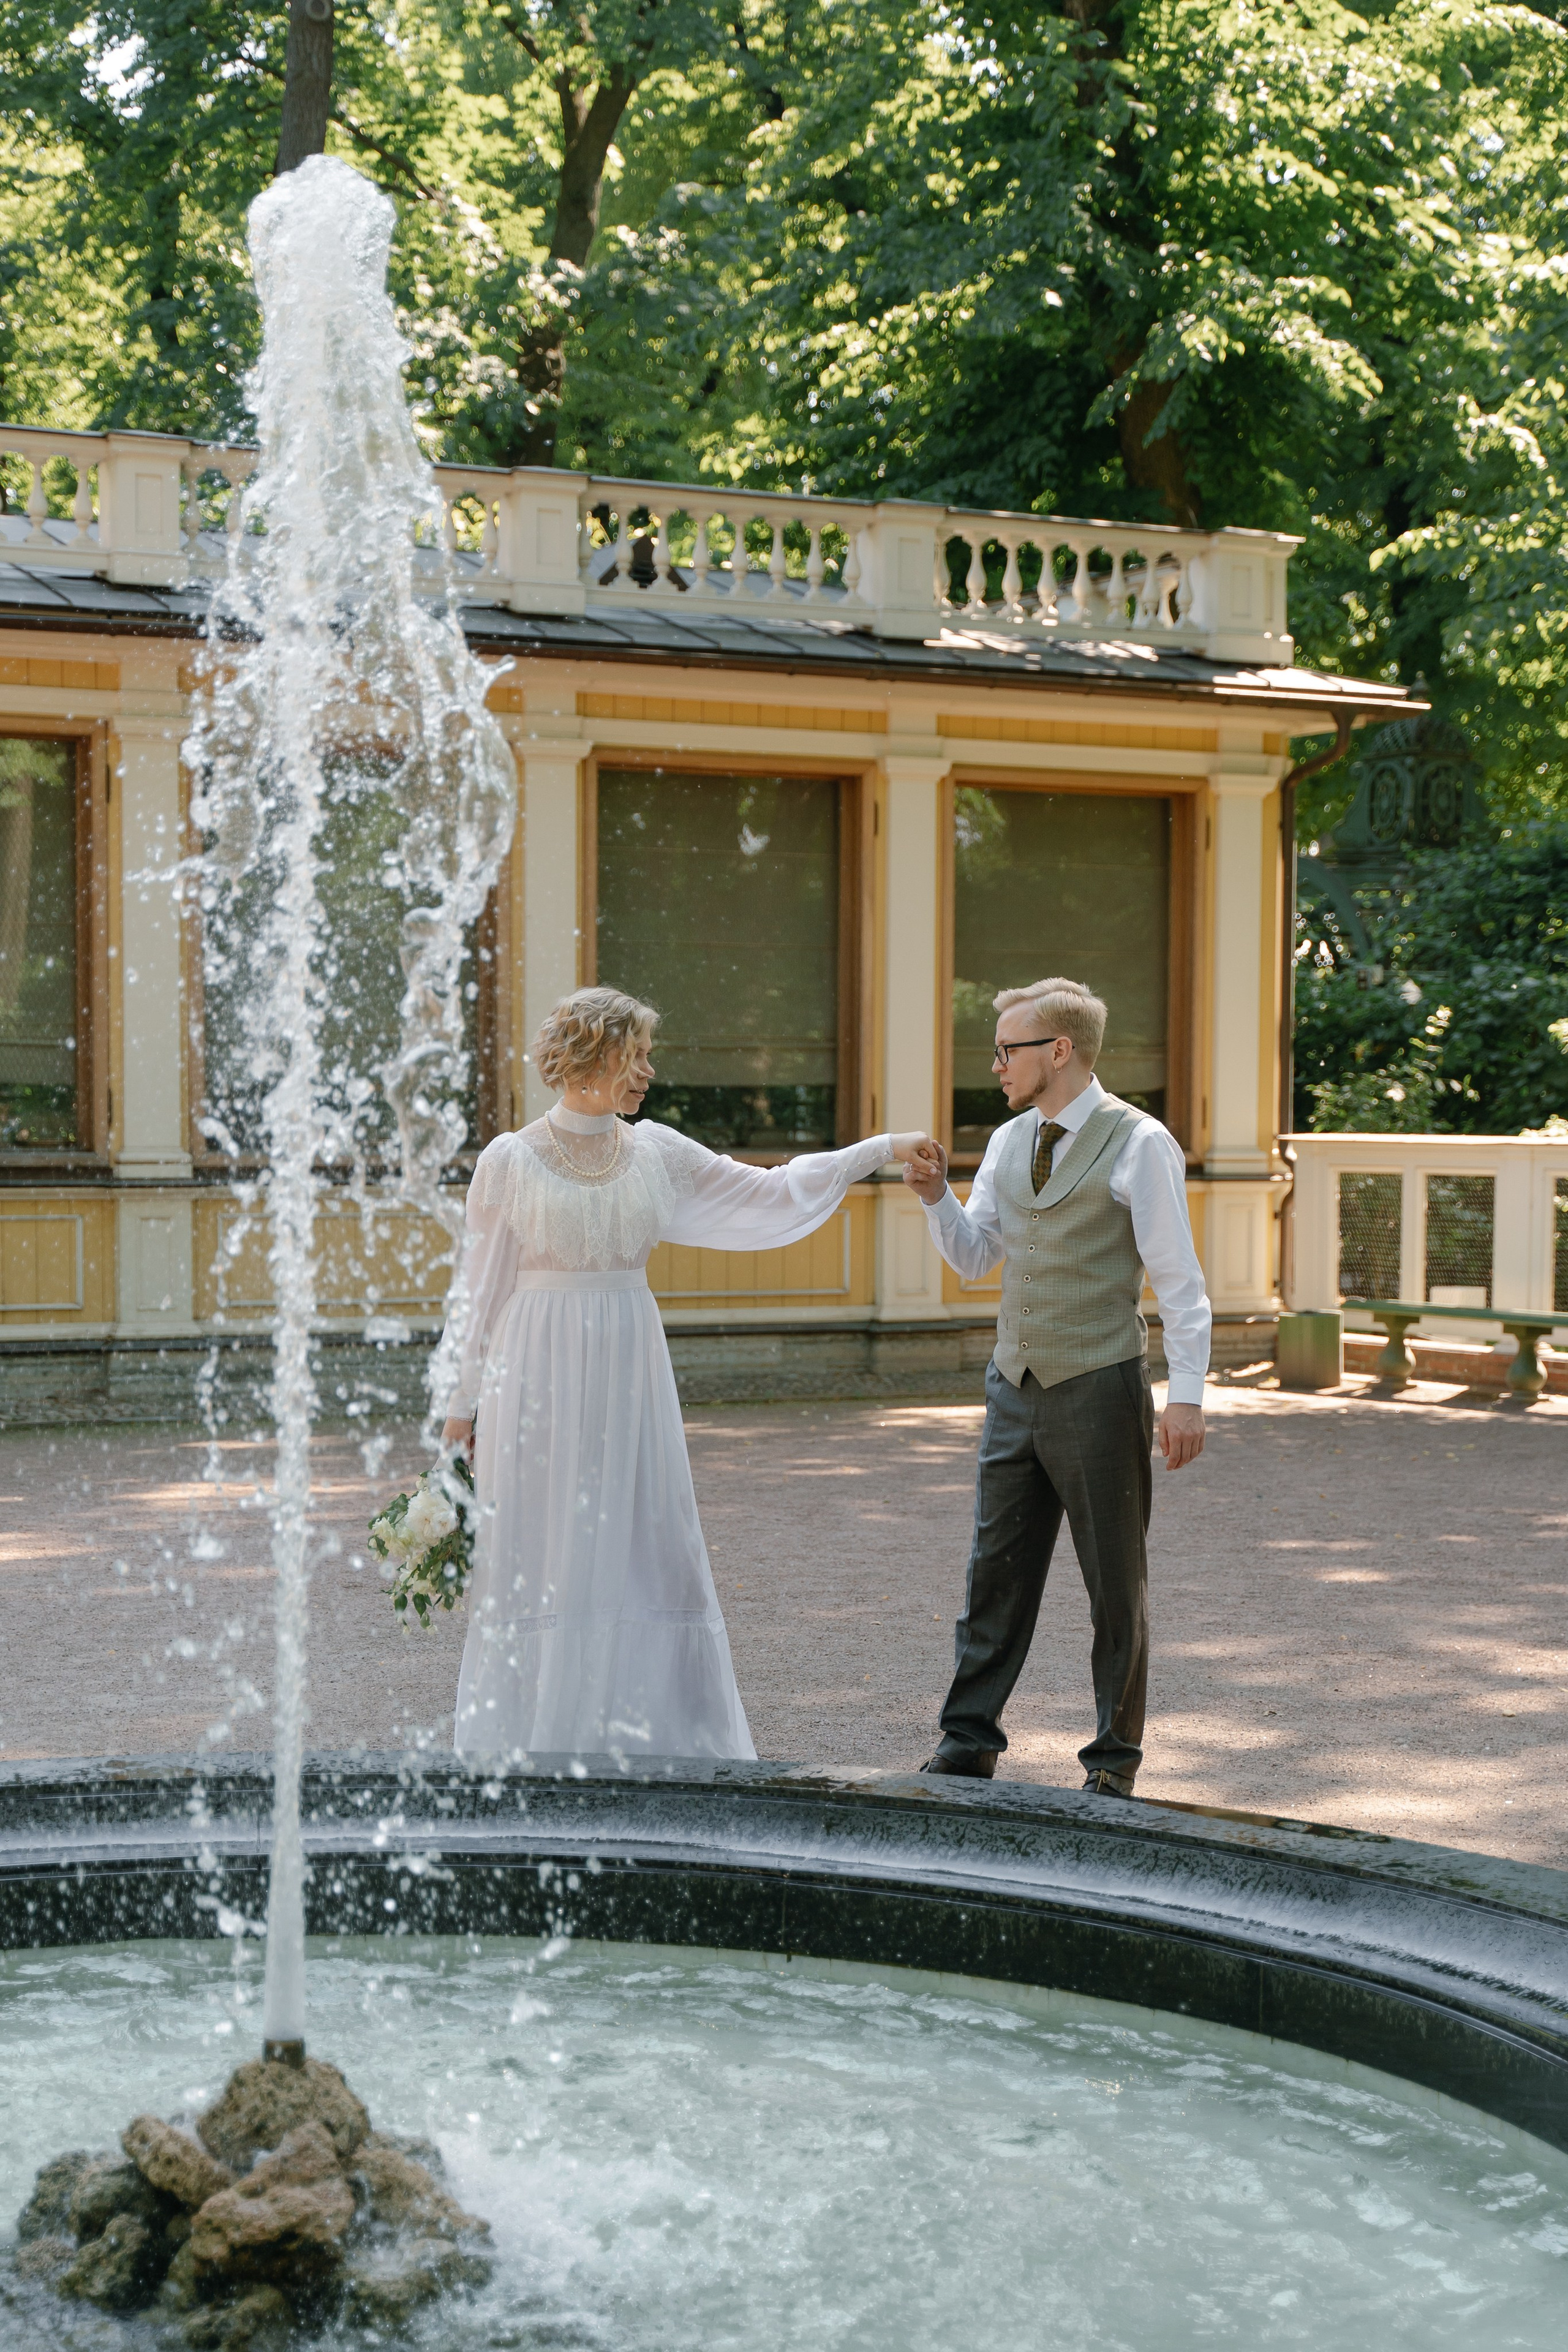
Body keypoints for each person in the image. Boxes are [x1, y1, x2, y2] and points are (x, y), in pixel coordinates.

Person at [440, 985, 928, 1760]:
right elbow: (481, 1288)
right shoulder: (510, 1159)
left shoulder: (657, 1150)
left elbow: (769, 1193)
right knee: (545, 1548)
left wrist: (880, 1149)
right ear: (595, 1054)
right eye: (637, 1055)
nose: (647, 1073)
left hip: (631, 1368)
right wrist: (461, 1409)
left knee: (650, 1539)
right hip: (535, 1375)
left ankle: (663, 1738)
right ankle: (534, 1741)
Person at [901, 976, 1210, 1795]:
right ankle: (967, 1743)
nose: (996, 1064)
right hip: (1013, 1386)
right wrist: (937, 1200)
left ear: (1059, 1052)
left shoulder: (1140, 1142)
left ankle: (1113, 1763)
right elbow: (977, 1258)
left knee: (1116, 1584)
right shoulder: (1007, 1142)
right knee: (992, 1574)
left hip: (1099, 1387)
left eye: (1008, 1049)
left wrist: (1187, 1395)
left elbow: (1180, 1282)